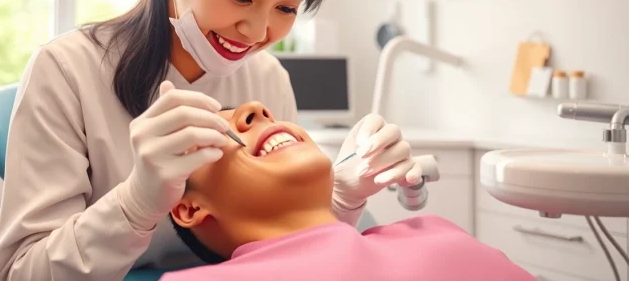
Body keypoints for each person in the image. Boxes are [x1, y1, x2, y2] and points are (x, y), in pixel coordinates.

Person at [0, 0, 422, 281]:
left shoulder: (268, 77)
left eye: (287, 8)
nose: (258, 32)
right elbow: (22, 273)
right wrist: (134, 205)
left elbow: (290, 248)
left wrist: (341, 201)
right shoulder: (67, 71)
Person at [159, 101, 538, 281]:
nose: (257, 110)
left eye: (266, 113)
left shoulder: (434, 231)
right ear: (189, 208)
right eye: (217, 129)